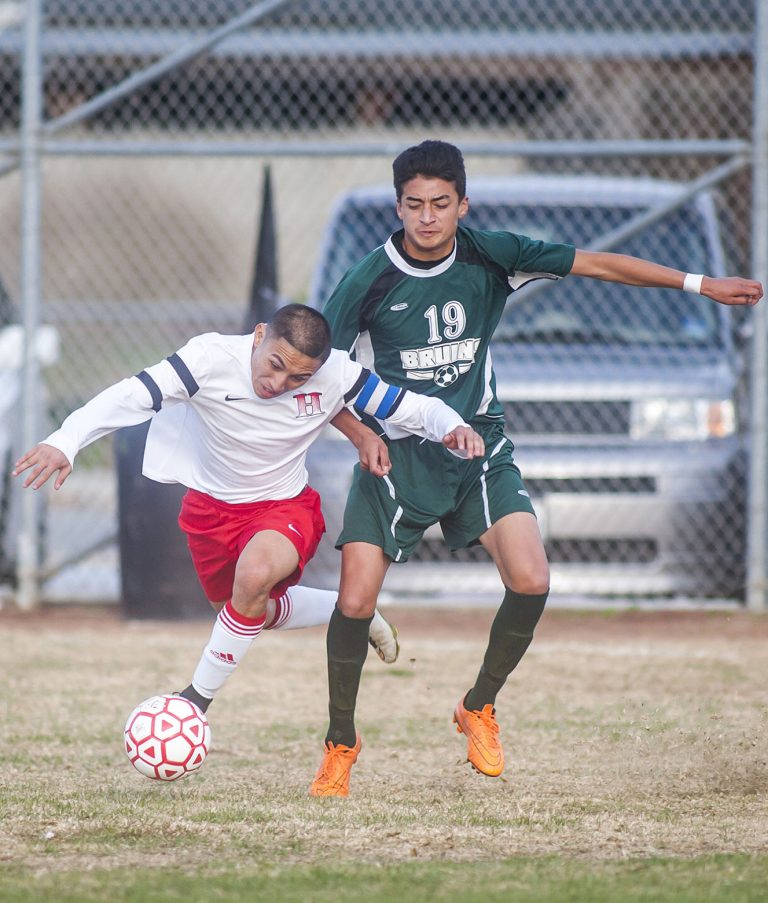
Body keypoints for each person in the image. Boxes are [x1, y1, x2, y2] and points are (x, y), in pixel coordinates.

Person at [307, 139, 764, 798]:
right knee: (354, 602)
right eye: (415, 205)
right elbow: (316, 372)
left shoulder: (492, 253)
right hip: (394, 458)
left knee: (531, 578)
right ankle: (341, 742)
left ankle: (478, 705)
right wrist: (356, 434)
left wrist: (700, 284)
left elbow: (599, 264)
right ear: (399, 206)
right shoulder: (367, 279)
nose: (428, 217)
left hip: (477, 451)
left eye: (441, 203)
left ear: (463, 203)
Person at [13, 303, 484, 715]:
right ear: (259, 336)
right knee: (243, 610)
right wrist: (65, 441)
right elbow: (131, 395)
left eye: (297, 377)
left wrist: (452, 425)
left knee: (255, 575)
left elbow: (408, 406)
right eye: (275, 364)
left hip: (285, 507)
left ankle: (194, 702)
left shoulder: (336, 373)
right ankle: (354, 612)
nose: (278, 383)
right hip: (209, 511)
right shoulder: (208, 358)